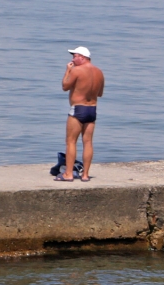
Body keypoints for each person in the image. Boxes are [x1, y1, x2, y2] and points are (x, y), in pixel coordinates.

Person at [58, 46, 104, 183]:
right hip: (92, 110)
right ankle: (85, 175)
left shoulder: (77, 70)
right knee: (88, 142)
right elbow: (100, 93)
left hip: (78, 109)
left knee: (71, 141)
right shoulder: (99, 72)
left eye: (74, 56)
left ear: (82, 57)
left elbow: (65, 86)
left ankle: (68, 174)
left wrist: (68, 71)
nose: (72, 59)